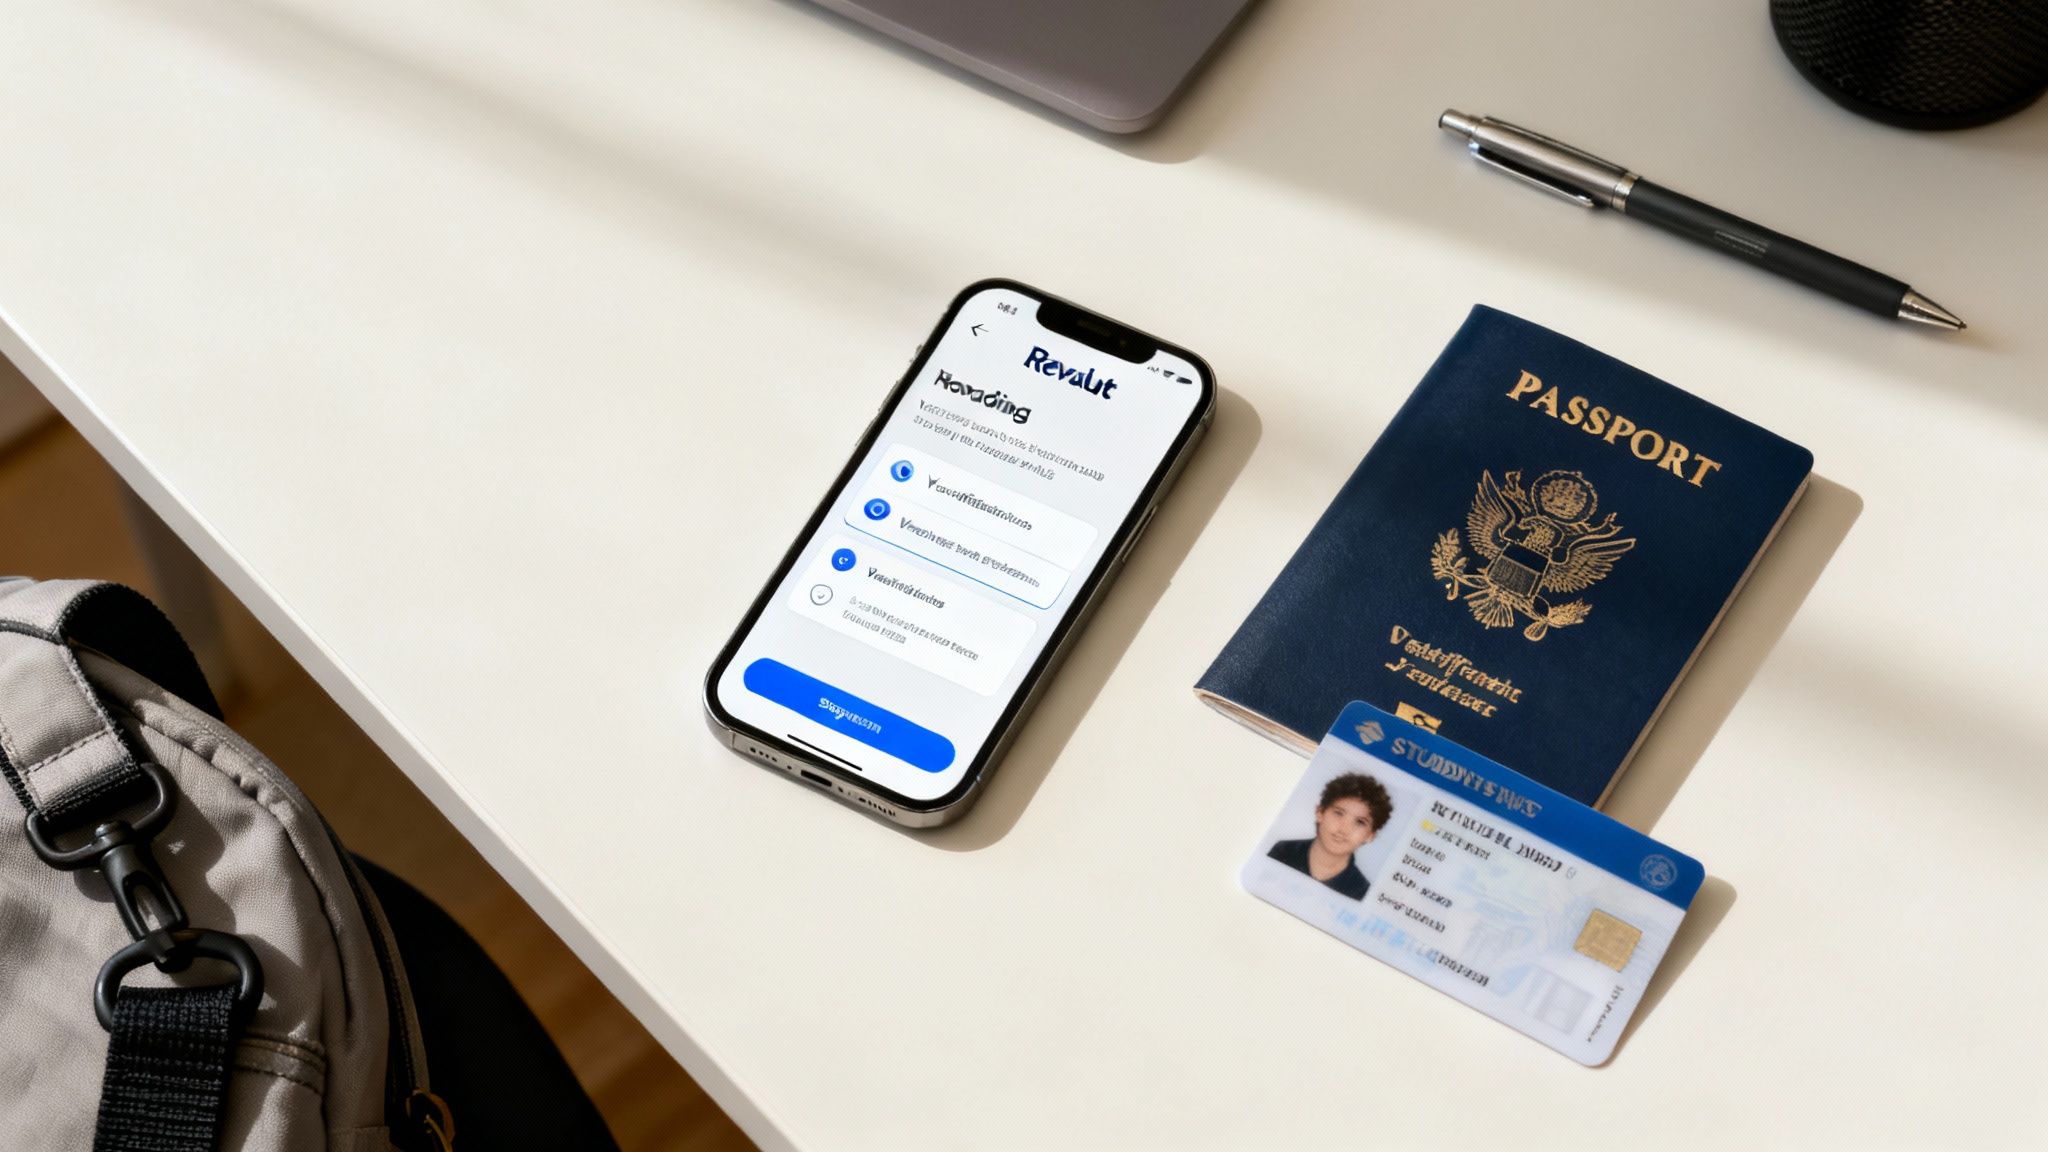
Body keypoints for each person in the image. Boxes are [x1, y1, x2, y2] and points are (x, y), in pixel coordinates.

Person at [1266, 772, 1393, 900]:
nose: (1344, 829)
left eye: (1360, 822)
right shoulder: (1283, 852)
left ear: (1370, 835)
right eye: (1338, 813)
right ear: (1320, 812)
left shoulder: (1360, 891)